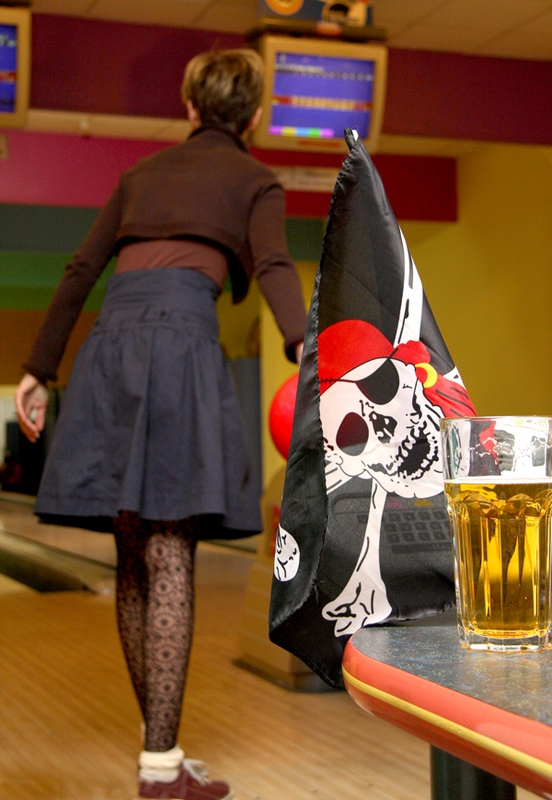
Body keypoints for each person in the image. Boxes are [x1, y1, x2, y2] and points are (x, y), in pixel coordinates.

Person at [15, 48, 306, 800]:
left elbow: (80, 270)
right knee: (171, 553)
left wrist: (38, 370)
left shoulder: (139, 175)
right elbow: (273, 266)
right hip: (179, 347)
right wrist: (304, 343)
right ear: (256, 115)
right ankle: (158, 770)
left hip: (110, 348)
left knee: (134, 554)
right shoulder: (255, 180)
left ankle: (163, 756)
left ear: (189, 106)